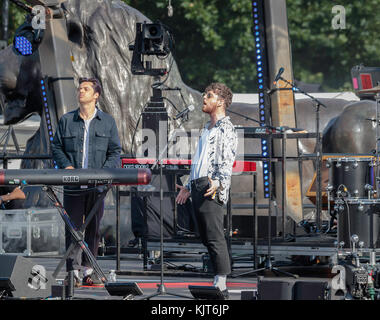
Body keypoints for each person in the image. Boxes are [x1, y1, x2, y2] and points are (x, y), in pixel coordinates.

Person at [51, 77, 121, 286]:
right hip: (73, 183)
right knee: (72, 227)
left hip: (97, 185)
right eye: (80, 88)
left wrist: (103, 172)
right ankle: (72, 273)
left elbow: (115, 151)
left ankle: (89, 271)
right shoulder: (67, 120)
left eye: (86, 89)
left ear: (96, 95)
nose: (81, 91)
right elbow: (56, 148)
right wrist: (67, 166)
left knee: (92, 227)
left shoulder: (107, 122)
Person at [176, 83, 237, 298]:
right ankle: (217, 279)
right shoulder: (207, 128)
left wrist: (218, 182)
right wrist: (187, 186)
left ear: (220, 101)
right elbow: (199, 161)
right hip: (199, 184)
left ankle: (221, 283)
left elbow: (228, 159)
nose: (204, 98)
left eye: (209, 96)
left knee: (214, 235)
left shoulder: (225, 128)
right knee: (204, 235)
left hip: (212, 186)